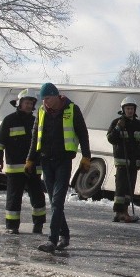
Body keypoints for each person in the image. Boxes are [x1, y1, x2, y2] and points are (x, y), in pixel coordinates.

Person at [26, 83, 91, 253]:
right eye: (43, 99)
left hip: (63, 161)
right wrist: (30, 159)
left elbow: (83, 133)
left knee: (57, 201)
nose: (45, 102)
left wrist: (86, 156)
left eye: (48, 98)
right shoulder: (41, 112)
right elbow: (35, 136)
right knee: (54, 202)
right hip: (46, 160)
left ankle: (52, 240)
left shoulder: (71, 109)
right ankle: (65, 235)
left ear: (56, 96)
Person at [0, 89, 47, 235]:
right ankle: (12, 226)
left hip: (34, 167)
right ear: (19, 103)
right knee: (14, 198)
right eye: (27, 102)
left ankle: (39, 225)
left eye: (31, 103)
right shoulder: (9, 120)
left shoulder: (37, 121)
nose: (29, 106)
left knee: (38, 198)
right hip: (15, 168)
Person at [106, 96, 140, 223]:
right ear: (123, 109)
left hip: (134, 163)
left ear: (135, 110)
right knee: (121, 188)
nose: (129, 111)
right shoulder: (116, 122)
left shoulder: (138, 125)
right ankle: (120, 213)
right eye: (127, 108)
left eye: (131, 108)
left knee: (129, 189)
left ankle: (124, 211)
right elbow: (111, 139)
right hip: (122, 163)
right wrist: (118, 128)